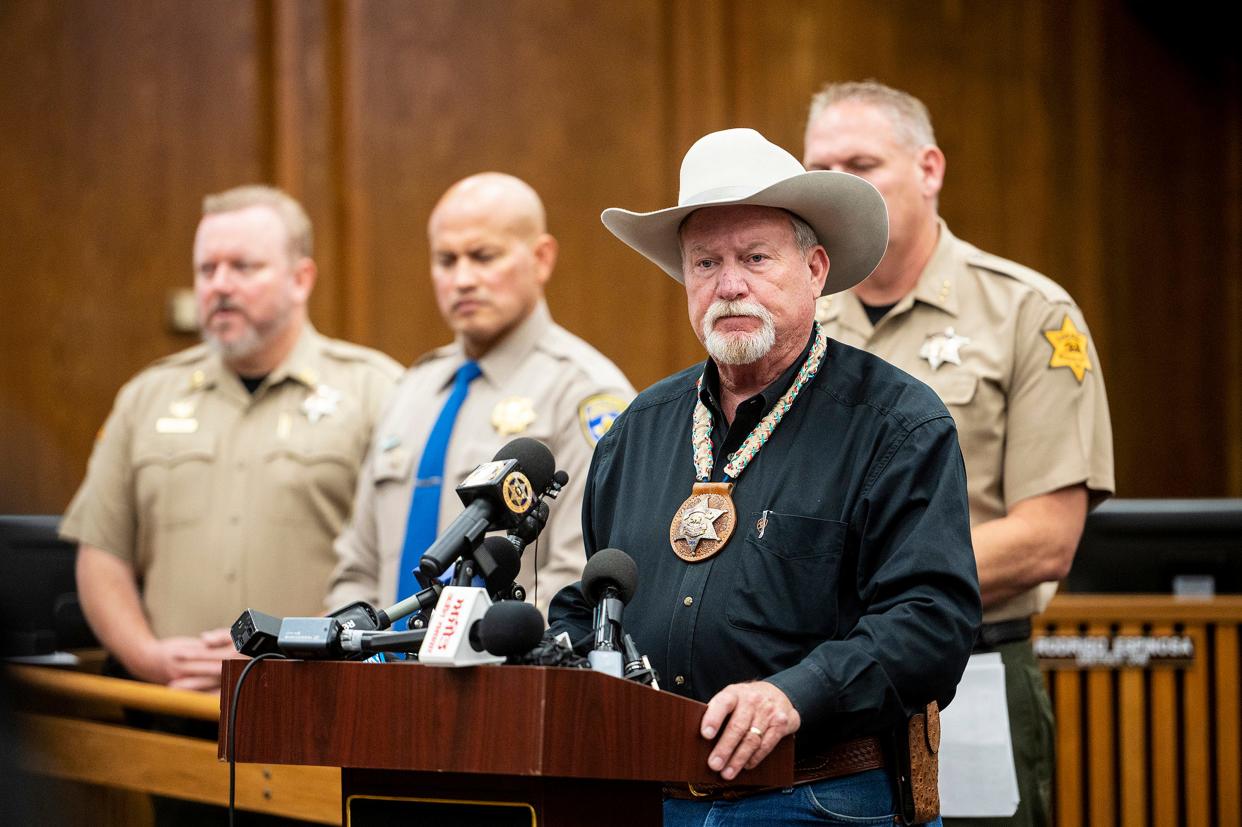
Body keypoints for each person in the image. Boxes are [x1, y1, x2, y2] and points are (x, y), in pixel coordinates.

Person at [548, 128, 981, 826]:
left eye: (755, 257)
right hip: (647, 797)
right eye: (705, 262)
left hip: (821, 797)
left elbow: (931, 623)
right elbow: (592, 601)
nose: (729, 285)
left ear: (814, 269)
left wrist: (793, 694)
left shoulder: (896, 423)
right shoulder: (638, 429)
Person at [803, 81, 1115, 827]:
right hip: (821, 684)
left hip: (967, 673)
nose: (839, 185)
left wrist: (875, 589)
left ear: (929, 169)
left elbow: (1047, 538)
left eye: (862, 162)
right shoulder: (797, 326)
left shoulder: (1026, 313)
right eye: (821, 169)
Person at [62, 185, 402, 692]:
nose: (220, 285)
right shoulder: (146, 397)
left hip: (316, 706)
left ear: (301, 279)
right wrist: (150, 658)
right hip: (165, 710)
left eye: (243, 268)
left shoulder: (379, 391)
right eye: (207, 269)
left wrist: (295, 649)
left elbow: (397, 561)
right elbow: (101, 554)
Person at [327, 172, 634, 620]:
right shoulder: (412, 390)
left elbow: (576, 575)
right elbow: (357, 566)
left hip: (496, 673)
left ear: (541, 258)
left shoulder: (584, 393)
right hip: (377, 673)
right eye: (446, 260)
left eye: (483, 256)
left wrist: (462, 646)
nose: (463, 278)